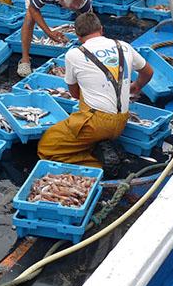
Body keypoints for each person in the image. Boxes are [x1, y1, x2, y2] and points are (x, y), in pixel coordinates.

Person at [37, 12, 153, 174]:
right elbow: (148, 72)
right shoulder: (124, 46)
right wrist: (136, 86)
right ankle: (104, 146)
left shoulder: (74, 54)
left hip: (96, 123)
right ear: (101, 29)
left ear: (78, 36)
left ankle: (100, 164)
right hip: (121, 120)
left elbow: (75, 93)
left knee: (47, 146)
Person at [18, 0, 93, 77]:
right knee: (29, 17)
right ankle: (25, 59)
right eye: (70, 8)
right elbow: (33, 9)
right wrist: (49, 32)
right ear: (60, 0)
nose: (72, 11)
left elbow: (89, 21)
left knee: (86, 21)